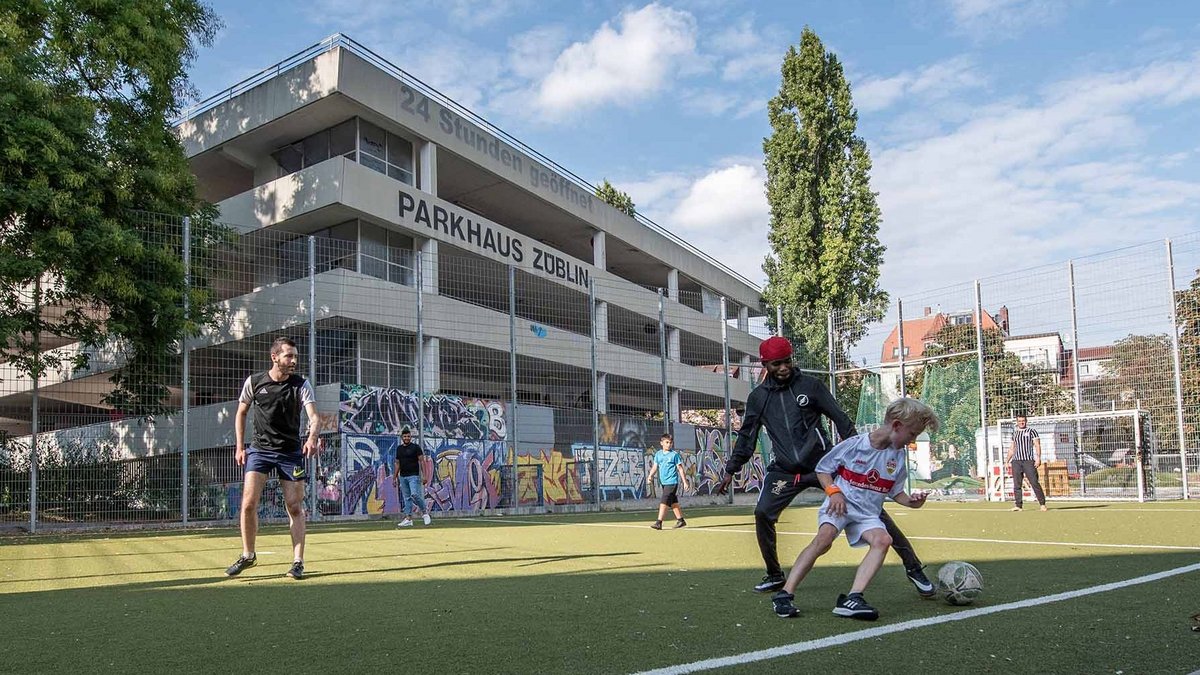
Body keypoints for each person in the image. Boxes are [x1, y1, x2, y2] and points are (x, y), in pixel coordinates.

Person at [715, 336, 935, 598]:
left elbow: (839, 418)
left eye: (787, 361)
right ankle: (775, 575)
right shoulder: (758, 398)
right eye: (776, 364)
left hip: (823, 466)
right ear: (766, 364)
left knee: (873, 511)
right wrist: (731, 469)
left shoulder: (810, 386)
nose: (783, 368)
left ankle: (913, 567)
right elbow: (747, 435)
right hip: (784, 470)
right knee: (763, 513)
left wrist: (861, 452)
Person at [771, 398, 939, 620]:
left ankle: (853, 598)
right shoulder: (854, 445)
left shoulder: (897, 458)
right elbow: (823, 470)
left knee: (883, 540)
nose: (912, 440)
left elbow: (896, 493)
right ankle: (785, 594)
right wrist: (834, 492)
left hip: (867, 514)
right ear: (897, 426)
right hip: (840, 507)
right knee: (824, 539)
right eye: (912, 434)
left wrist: (913, 502)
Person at [226, 336, 320, 580]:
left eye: (295, 356)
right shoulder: (255, 382)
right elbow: (241, 413)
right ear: (274, 357)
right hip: (260, 451)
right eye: (289, 356)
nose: (293, 361)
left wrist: (311, 438)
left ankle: (298, 562)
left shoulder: (301, 385)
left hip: (290, 453)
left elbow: (315, 417)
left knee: (294, 506)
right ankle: (248, 555)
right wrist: (239, 446)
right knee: (248, 504)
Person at [647, 433, 690, 530]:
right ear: (661, 443)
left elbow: (680, 468)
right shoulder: (658, 454)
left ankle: (659, 522)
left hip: (672, 482)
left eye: (670, 443)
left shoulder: (674, 455)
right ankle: (681, 520)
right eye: (667, 442)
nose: (669, 444)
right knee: (673, 502)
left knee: (664, 501)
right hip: (664, 482)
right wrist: (650, 475)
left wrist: (685, 482)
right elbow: (655, 467)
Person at [1007, 414, 1047, 512]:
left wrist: (1038, 458)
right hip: (1016, 461)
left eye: (1023, 420)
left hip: (1028, 461)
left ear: (1026, 421)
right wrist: (1007, 461)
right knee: (1017, 484)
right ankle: (1018, 505)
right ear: (1017, 422)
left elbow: (1037, 445)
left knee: (1034, 482)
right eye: (1019, 421)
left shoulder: (1032, 432)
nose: (1021, 422)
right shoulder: (1015, 433)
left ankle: (1042, 504)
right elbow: (1012, 448)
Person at [393, 427, 431, 526]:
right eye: (405, 436)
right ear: (402, 437)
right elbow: (397, 464)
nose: (407, 438)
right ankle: (408, 518)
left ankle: (425, 513)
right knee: (407, 498)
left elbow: (422, 461)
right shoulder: (399, 449)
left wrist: (424, 475)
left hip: (414, 476)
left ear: (411, 437)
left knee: (414, 494)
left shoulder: (416, 447)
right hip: (403, 477)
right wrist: (394, 477)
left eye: (408, 436)